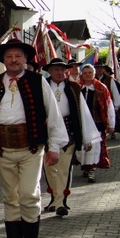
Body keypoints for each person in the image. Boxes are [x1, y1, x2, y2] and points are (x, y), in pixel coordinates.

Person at [0, 38, 68, 238]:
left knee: (28, 194)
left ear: (25, 59)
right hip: (3, 150)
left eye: (18, 56)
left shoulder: (38, 82)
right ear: (3, 60)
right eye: (9, 57)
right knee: (10, 198)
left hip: (31, 149)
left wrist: (54, 146)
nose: (14, 60)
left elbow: (52, 115)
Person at [41, 58, 101, 217]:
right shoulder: (42, 86)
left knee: (64, 167)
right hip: (47, 132)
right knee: (49, 168)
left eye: (62, 69)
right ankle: (54, 198)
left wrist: (87, 137)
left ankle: (61, 202)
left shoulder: (74, 88)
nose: (60, 73)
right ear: (49, 71)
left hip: (69, 132)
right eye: (56, 70)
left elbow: (83, 112)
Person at [79, 64, 115, 183]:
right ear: (82, 75)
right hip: (81, 122)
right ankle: (86, 166)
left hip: (96, 122)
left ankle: (92, 170)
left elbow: (109, 105)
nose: (88, 75)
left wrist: (111, 124)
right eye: (85, 73)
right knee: (83, 147)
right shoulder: (77, 87)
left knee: (95, 146)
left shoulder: (101, 88)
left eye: (90, 72)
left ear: (94, 74)